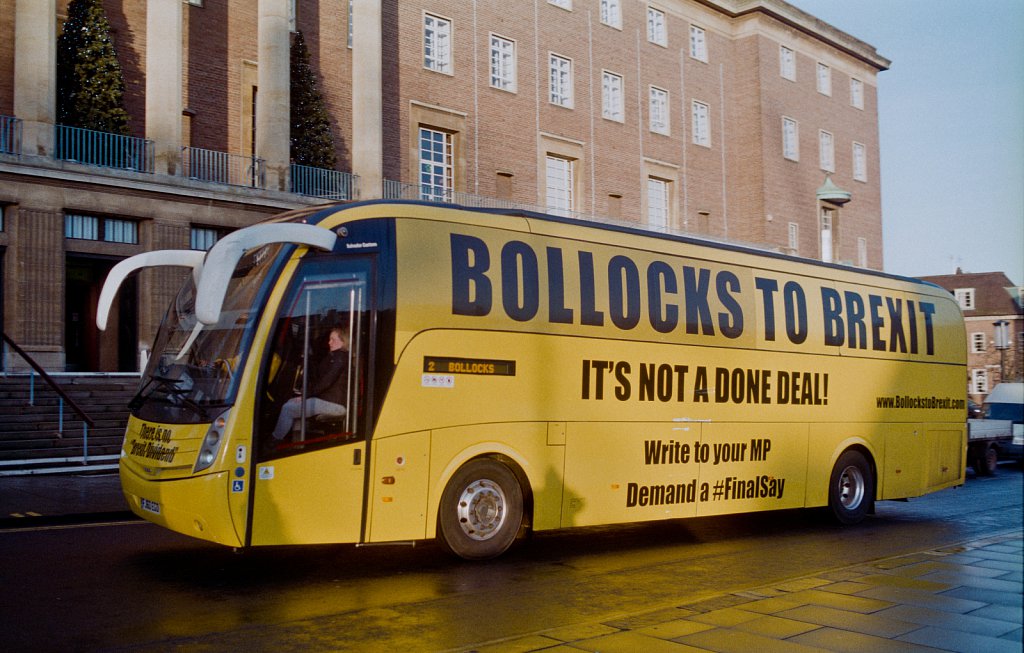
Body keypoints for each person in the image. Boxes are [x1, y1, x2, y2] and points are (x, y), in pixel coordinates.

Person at [271, 326, 349, 440]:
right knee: (291, 403)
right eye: (329, 339)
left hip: (335, 405)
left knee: (288, 408)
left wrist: (306, 395)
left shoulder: (340, 359)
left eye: (333, 339)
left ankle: (273, 441)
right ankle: (296, 441)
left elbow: (326, 382)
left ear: (342, 342)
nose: (329, 342)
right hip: (328, 401)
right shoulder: (333, 356)